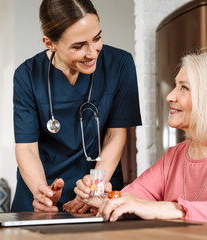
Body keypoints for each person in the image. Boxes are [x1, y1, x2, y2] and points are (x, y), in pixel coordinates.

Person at [74, 50, 207, 230]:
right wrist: (102, 199)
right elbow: (133, 198)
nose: (170, 96)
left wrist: (165, 208)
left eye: (184, 87)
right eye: (176, 86)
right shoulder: (176, 155)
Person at [11, 0, 142, 213]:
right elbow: (26, 147)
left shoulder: (120, 64)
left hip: (97, 188)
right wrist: (41, 193)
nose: (92, 53)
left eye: (97, 38)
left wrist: (94, 190)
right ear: (49, 43)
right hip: (42, 190)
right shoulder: (27, 75)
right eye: (78, 46)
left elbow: (115, 136)